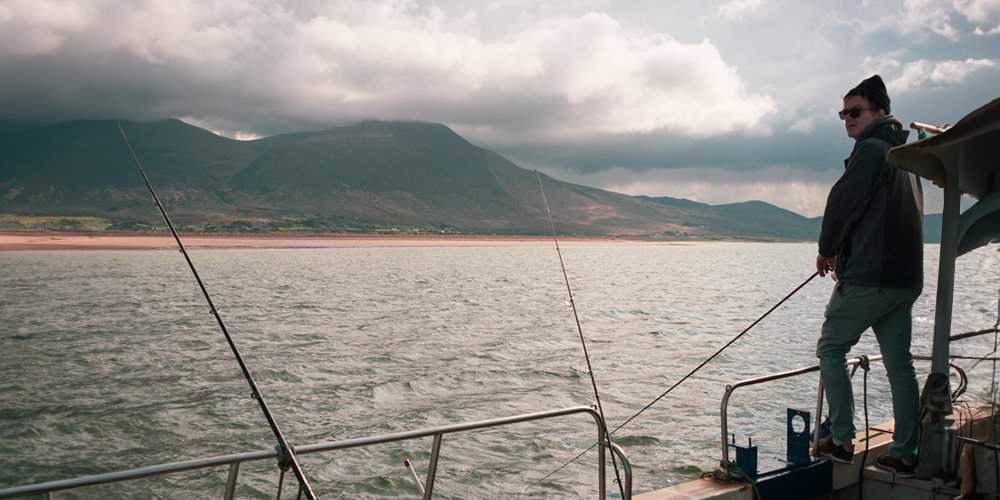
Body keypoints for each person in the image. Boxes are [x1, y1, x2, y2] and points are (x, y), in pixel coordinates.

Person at [813, 74, 924, 477]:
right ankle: (905, 452)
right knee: (900, 364)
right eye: (843, 113)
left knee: (830, 348)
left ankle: (841, 439)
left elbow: (842, 202)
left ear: (880, 111)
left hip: (870, 277)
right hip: (904, 280)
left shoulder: (871, 149)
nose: (847, 119)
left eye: (855, 111)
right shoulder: (904, 157)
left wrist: (827, 250)